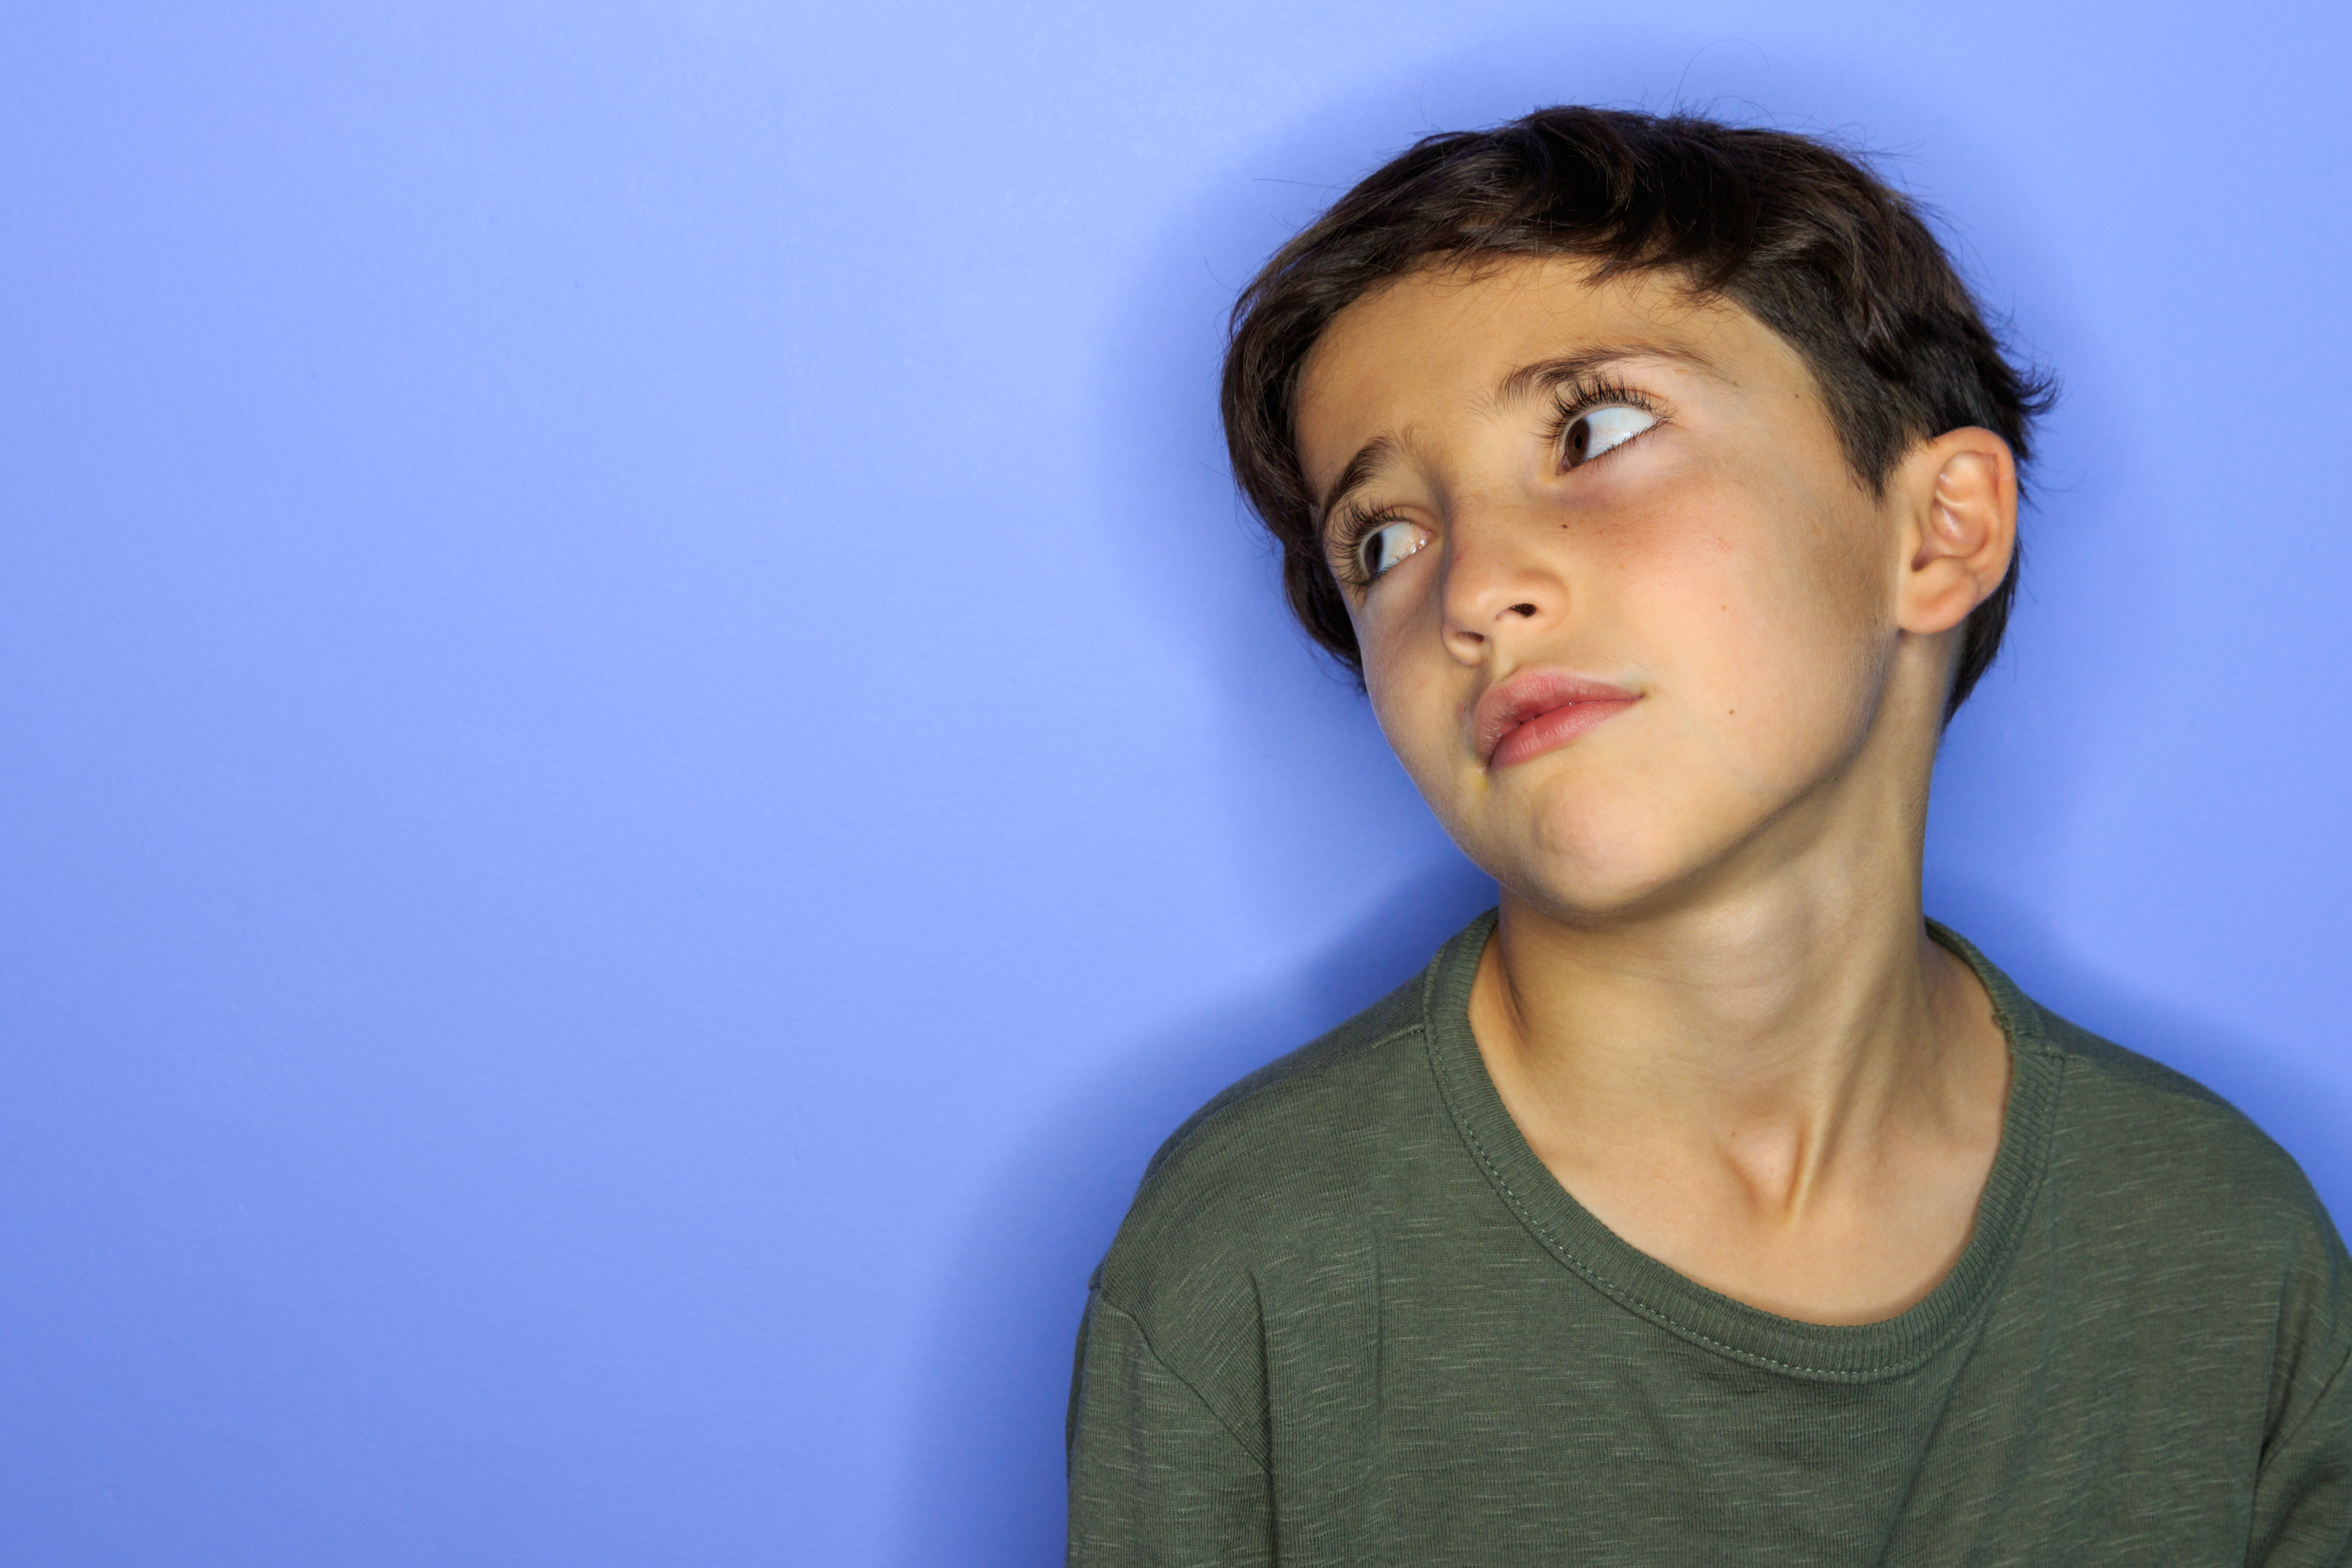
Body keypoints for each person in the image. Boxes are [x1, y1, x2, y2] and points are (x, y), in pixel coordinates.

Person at [1063, 106, 2352, 1564]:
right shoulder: (1250, 1266)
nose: (1475, 589)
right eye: (1386, 538)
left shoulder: (2226, 1254)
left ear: (1937, 531)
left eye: (1594, 428)